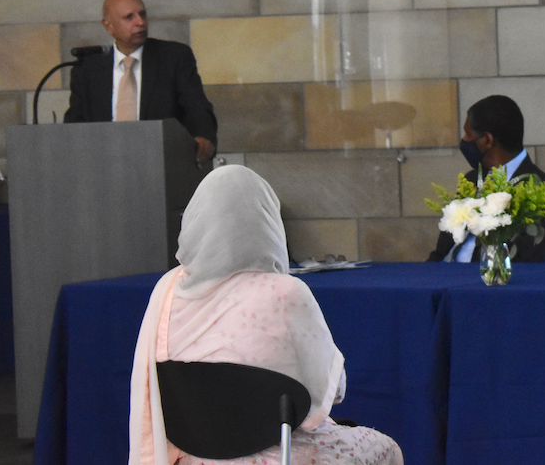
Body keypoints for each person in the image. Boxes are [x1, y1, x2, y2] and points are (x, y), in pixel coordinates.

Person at [129, 166, 402, 465]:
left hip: (193, 456)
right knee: (386, 449)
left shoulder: (167, 290)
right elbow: (332, 393)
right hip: (277, 454)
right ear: (269, 223)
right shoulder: (286, 292)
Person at [65, 0, 217, 165]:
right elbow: (74, 124)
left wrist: (204, 139)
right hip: (103, 165)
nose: (140, 22)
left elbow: (197, 107)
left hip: (160, 163)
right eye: (129, 17)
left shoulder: (173, 57)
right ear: (109, 26)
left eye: (142, 14)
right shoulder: (88, 68)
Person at [427, 94, 545, 263]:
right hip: (445, 277)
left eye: (468, 134)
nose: (464, 140)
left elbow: (532, 267)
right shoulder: (471, 180)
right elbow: (441, 251)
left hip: (490, 286)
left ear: (487, 140)